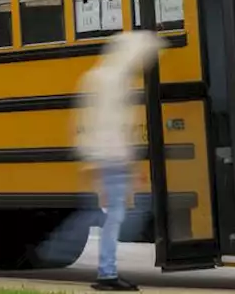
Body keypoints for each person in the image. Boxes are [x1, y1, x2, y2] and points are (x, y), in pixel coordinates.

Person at [80, 31, 165, 292]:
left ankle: (107, 270)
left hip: (110, 158)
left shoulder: (102, 76)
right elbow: (108, 125)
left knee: (113, 216)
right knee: (114, 217)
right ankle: (106, 272)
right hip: (110, 158)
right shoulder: (113, 80)